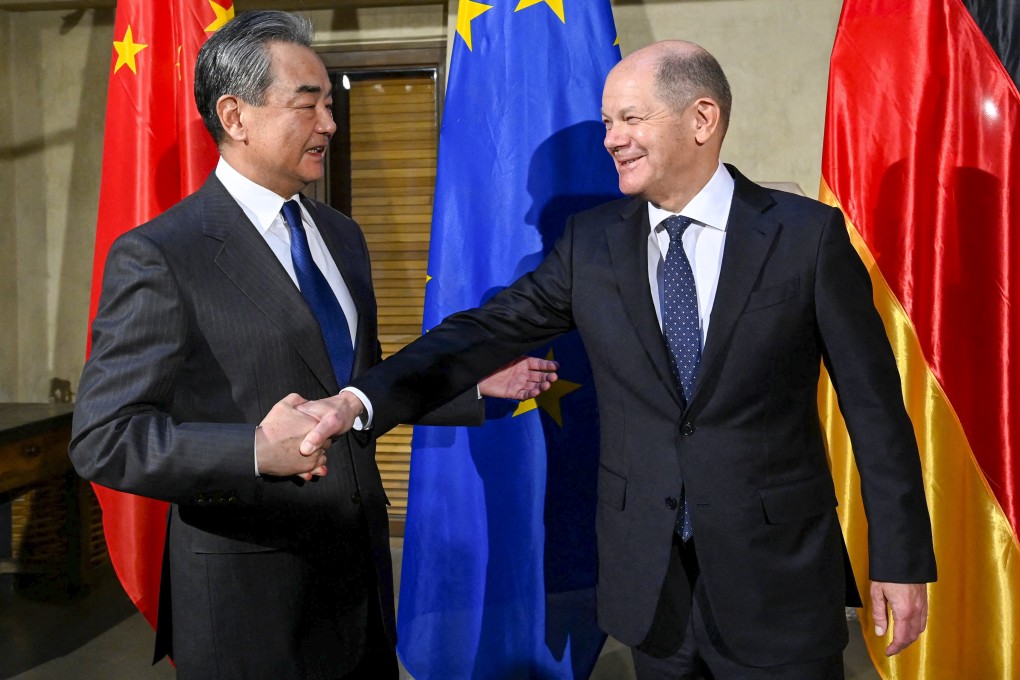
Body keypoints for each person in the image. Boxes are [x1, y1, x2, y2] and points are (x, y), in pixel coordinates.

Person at [299, 41, 937, 679]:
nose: (612, 139)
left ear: (702, 119)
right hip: (651, 594)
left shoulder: (807, 237)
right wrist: (361, 399)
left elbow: (876, 412)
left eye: (631, 118)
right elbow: (482, 332)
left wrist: (901, 561)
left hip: (779, 586)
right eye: (607, 122)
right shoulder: (592, 244)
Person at [69, 11, 556, 680]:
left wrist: (465, 387)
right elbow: (103, 438)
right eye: (308, 104)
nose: (329, 123)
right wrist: (253, 451)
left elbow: (353, 382)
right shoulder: (161, 254)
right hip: (248, 602)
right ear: (235, 116)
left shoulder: (340, 235)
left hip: (359, 583)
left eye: (329, 103)